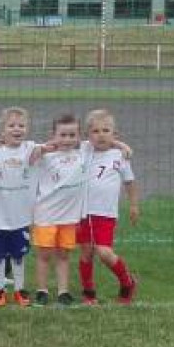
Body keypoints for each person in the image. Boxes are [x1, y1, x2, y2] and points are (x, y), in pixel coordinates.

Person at [0, 107, 40, 308]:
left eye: (21, 126)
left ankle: (20, 290)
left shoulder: (30, 148)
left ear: (27, 129)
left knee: (18, 256)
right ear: (2, 130)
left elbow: (53, 147)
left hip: (20, 219)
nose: (17, 129)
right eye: (11, 125)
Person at [78, 109, 140, 305]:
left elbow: (130, 182)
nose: (101, 135)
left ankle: (127, 282)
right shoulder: (84, 150)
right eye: (95, 131)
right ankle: (88, 292)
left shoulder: (120, 156)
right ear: (88, 135)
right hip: (82, 212)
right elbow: (64, 142)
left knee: (104, 252)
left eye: (106, 130)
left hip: (105, 214)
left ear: (115, 134)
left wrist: (133, 205)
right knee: (86, 253)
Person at [30, 113, 88, 307]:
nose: (67, 140)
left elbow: (104, 141)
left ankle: (63, 291)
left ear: (79, 137)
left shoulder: (83, 154)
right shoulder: (46, 156)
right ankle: (42, 290)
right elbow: (29, 154)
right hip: (46, 216)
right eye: (62, 135)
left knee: (63, 255)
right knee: (44, 255)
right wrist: (43, 147)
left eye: (72, 135)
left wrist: (122, 146)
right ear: (53, 135)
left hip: (69, 218)